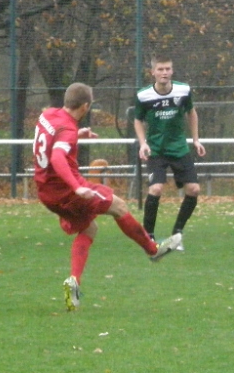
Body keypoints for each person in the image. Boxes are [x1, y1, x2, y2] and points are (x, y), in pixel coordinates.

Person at [35, 82, 181, 311]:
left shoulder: (49, 115)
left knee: (90, 229)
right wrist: (76, 187)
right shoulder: (68, 130)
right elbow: (56, 158)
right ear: (85, 106)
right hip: (66, 190)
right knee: (119, 206)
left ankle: (73, 282)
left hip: (46, 192)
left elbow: (54, 135)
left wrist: (77, 135)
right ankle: (153, 251)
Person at [133, 54, 206, 251]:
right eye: (160, 69)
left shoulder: (183, 91)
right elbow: (138, 120)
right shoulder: (144, 95)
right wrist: (143, 144)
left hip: (179, 148)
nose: (164, 73)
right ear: (153, 72)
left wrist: (196, 140)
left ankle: (177, 234)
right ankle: (148, 237)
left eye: (167, 69)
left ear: (172, 71)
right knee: (156, 189)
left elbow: (191, 112)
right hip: (156, 150)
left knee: (194, 190)